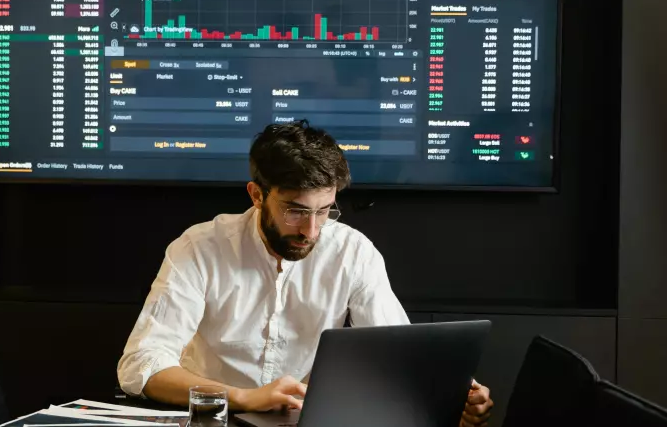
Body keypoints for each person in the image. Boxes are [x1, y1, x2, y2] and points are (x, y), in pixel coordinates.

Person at [117, 120, 494, 426]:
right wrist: (244, 397)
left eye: (325, 210)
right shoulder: (199, 248)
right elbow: (141, 365)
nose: (311, 231)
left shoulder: (352, 251)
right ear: (256, 195)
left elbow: (401, 358)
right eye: (295, 211)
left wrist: (450, 399)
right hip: (213, 418)